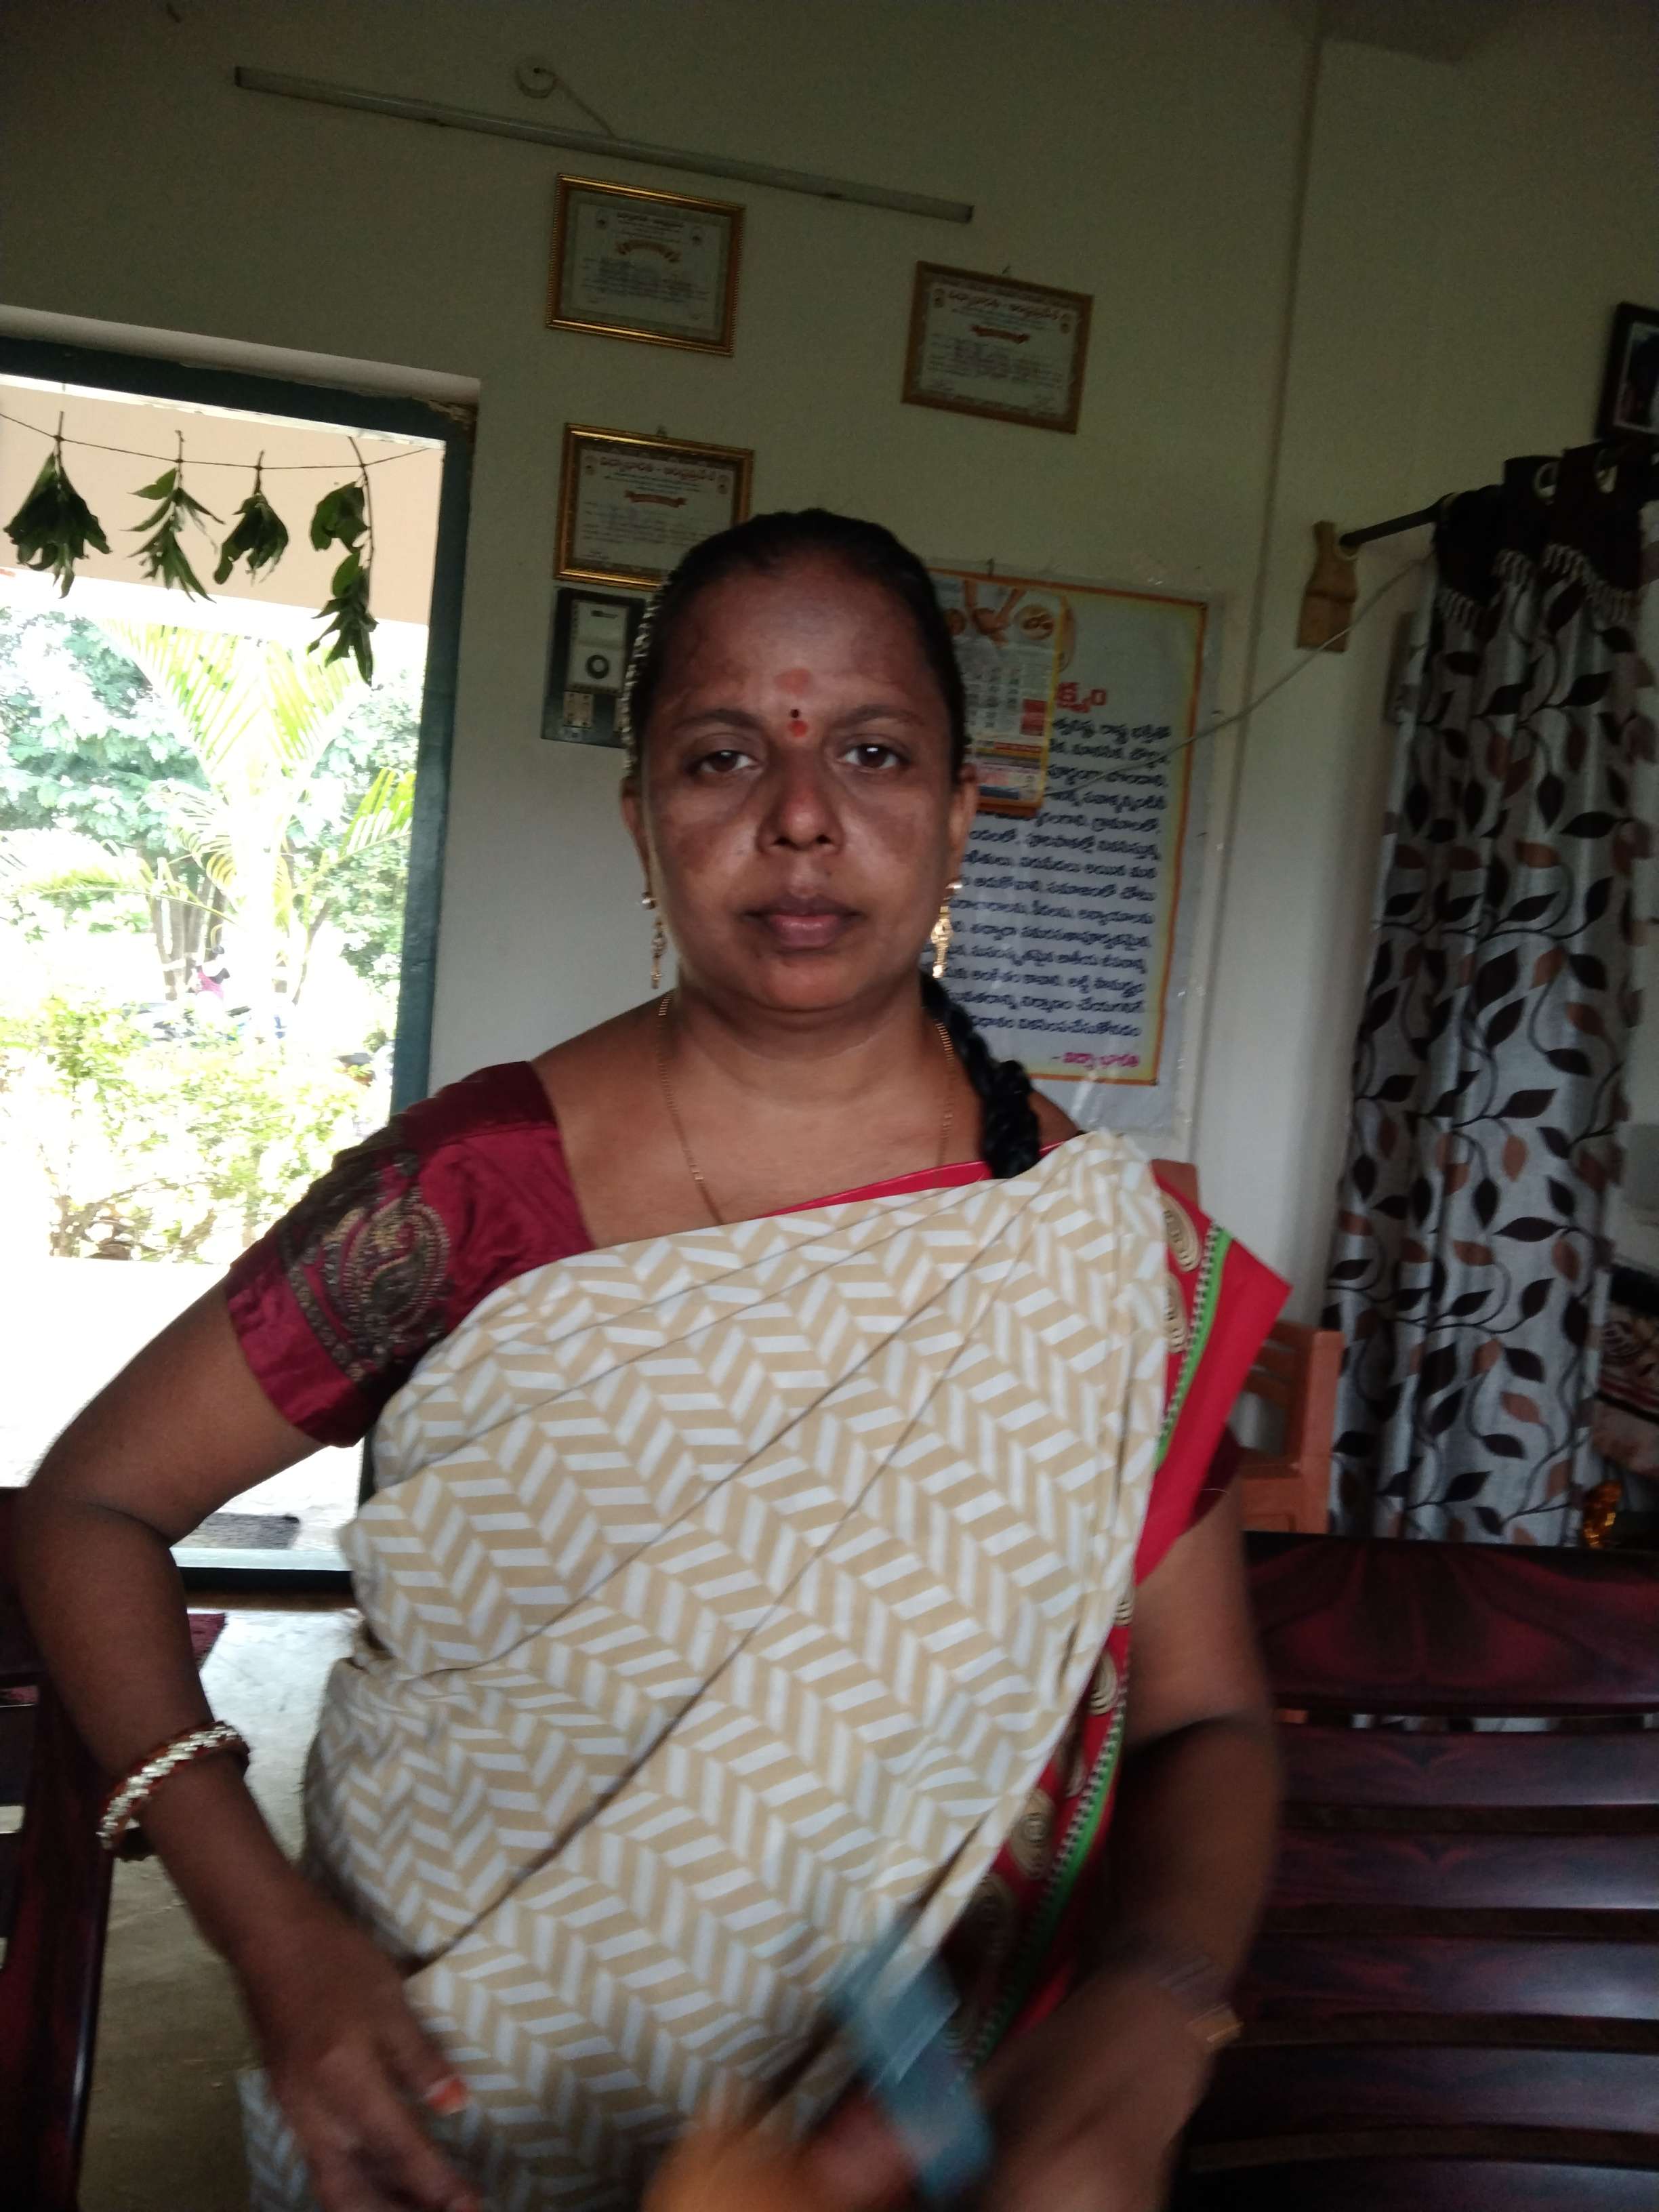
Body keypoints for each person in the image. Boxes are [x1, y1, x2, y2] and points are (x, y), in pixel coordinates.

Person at [19, 510, 1285, 2212]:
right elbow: (88, 1508)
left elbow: (1207, 1715)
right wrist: (270, 1938)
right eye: (722, 755)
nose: (801, 815)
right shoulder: (473, 1191)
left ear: (959, 814)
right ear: (644, 821)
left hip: (886, 2146)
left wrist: (1156, 2004)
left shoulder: (1096, 1253)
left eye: (872, 752)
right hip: (444, 2109)